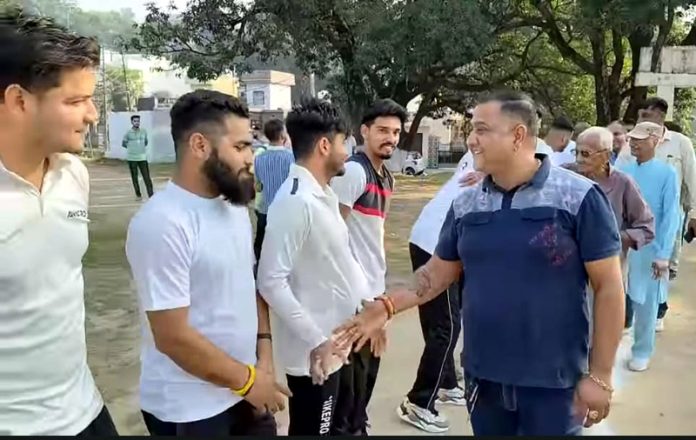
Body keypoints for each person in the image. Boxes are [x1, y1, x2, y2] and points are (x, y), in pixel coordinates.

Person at [336, 91, 625, 436]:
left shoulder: (578, 198)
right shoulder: (467, 204)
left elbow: (608, 286)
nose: (471, 140)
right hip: (484, 380)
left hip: (554, 384)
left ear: (518, 135)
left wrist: (601, 375)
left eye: (482, 130)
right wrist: (385, 306)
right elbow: (436, 275)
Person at [125, 90, 288, 436]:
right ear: (199, 145)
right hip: (189, 410)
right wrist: (248, 382)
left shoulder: (233, 207)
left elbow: (250, 286)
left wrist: (265, 359)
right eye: (241, 146)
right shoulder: (163, 222)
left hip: (246, 389)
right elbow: (172, 337)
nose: (250, 158)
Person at [0, 9, 117, 436]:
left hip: (85, 410)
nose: (93, 115)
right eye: (74, 101)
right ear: (19, 100)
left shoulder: (74, 175)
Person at [256, 98, 370, 436]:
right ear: (324, 145)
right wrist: (317, 339)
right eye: (342, 141)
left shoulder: (322, 193)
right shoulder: (296, 202)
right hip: (315, 355)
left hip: (337, 344)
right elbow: (270, 281)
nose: (348, 150)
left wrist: (368, 308)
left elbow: (340, 262)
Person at [329, 98, 407, 435]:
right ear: (364, 131)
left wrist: (380, 301)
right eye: (382, 130)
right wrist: (360, 300)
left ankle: (357, 426)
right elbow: (331, 237)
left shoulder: (386, 177)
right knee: (349, 390)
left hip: (374, 294)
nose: (390, 138)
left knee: (364, 385)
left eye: (395, 132)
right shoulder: (354, 172)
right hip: (354, 298)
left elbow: (370, 240)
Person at [399, 151, 475, 433]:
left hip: (432, 239)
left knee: (440, 323)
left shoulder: (487, 162)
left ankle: (445, 382)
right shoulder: (494, 167)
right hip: (435, 244)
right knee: (446, 326)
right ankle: (418, 401)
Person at [563, 127, 656, 334]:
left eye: (585, 154)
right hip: (566, 271)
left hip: (604, 272)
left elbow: (646, 228)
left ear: (606, 155)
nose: (578, 159)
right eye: (576, 152)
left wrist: (613, 239)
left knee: (599, 333)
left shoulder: (623, 183)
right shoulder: (564, 175)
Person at [618, 97, 696, 330]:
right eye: (640, 117)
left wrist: (694, 213)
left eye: (647, 117)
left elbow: (692, 178)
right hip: (634, 216)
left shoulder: (680, 143)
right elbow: (619, 175)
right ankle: (630, 313)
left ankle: (658, 311)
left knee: (663, 262)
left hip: (667, 216)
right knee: (632, 264)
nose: (641, 122)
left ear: (660, 117)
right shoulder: (631, 144)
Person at [617, 122, 681, 372]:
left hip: (651, 246)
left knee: (647, 300)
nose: (634, 143)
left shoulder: (667, 173)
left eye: (641, 139)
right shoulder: (623, 170)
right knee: (618, 295)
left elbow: (670, 216)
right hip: (623, 243)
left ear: (655, 140)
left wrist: (664, 254)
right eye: (632, 139)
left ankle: (642, 349)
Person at [253, 118, 294, 261]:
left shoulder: (258, 159)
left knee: (262, 245)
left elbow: (258, 185)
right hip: (286, 209)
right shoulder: (291, 158)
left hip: (264, 209)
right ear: (283, 136)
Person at [122, 114, 154, 199]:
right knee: (134, 177)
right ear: (132, 122)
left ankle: (151, 195)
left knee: (147, 177)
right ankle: (138, 194)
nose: (137, 123)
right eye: (135, 121)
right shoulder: (128, 133)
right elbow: (124, 143)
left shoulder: (143, 131)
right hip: (132, 158)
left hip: (142, 158)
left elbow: (146, 142)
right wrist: (132, 148)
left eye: (138, 121)